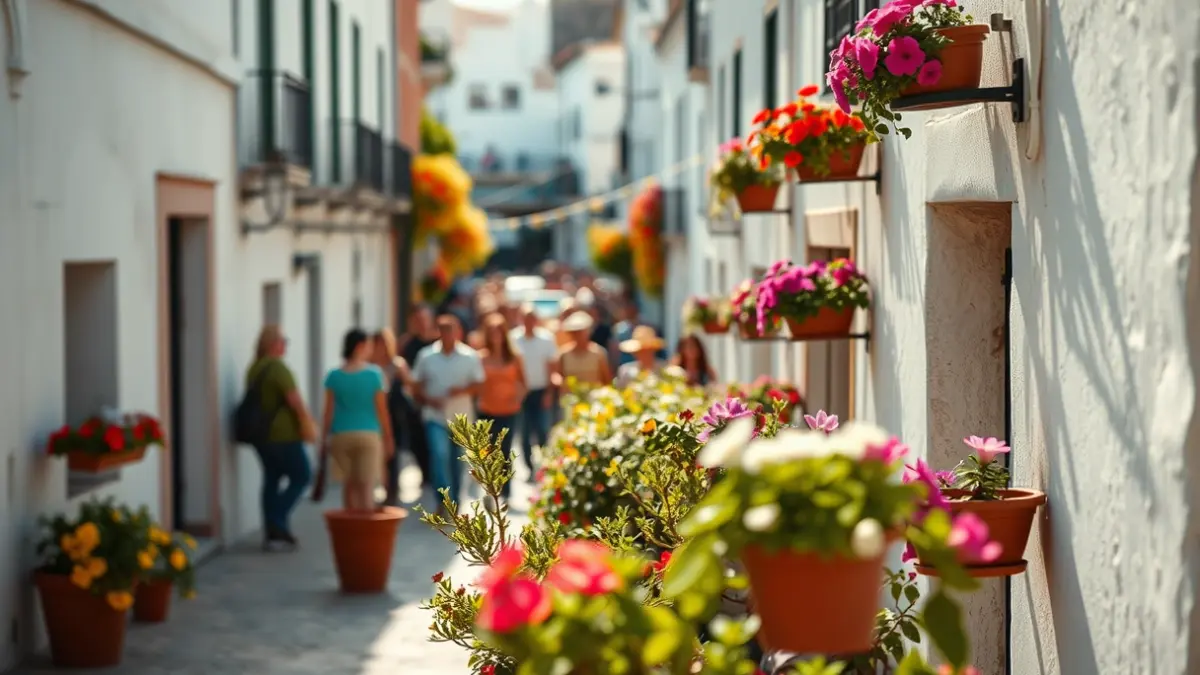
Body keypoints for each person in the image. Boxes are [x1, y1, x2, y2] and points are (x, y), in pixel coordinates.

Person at [245, 326, 316, 549]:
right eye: (283, 340)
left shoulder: (254, 368)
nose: (285, 345)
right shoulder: (277, 367)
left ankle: (274, 531)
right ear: (272, 343)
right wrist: (308, 425)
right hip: (283, 435)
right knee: (302, 475)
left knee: (272, 479)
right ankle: (277, 520)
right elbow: (295, 400)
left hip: (261, 436)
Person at [411, 315, 485, 509]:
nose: (448, 335)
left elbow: (479, 385)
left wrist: (461, 390)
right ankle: (443, 501)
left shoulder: (470, 356)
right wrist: (428, 399)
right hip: (435, 417)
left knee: (457, 462)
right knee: (439, 455)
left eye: (451, 331)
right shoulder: (426, 356)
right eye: (443, 331)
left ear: (458, 332)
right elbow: (415, 386)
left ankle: (455, 500)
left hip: (461, 418)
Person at [320, 329, 394, 512]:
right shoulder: (375, 374)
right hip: (368, 435)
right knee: (366, 488)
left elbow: (328, 413)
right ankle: (367, 535)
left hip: (341, 436)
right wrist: (388, 437)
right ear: (360, 346)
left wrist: (323, 439)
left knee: (349, 487)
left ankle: (350, 535)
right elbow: (382, 410)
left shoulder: (334, 376)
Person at [477, 314, 527, 498]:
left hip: (509, 411)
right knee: (488, 451)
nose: (495, 335)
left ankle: (505, 492)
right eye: (491, 332)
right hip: (486, 410)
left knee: (505, 450)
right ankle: (490, 488)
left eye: (499, 331)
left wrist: (517, 400)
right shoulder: (481, 357)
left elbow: (523, 383)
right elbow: (476, 383)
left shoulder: (514, 357)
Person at [510, 304, 558, 473]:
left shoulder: (546, 339)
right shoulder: (513, 338)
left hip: (541, 390)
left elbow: (552, 367)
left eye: (531, 318)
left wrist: (549, 393)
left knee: (543, 431)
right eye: (525, 318)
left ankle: (544, 466)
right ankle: (530, 467)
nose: (529, 322)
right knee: (524, 433)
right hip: (521, 393)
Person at [373, 329, 414, 506]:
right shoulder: (370, 366)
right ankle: (381, 487)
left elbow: (410, 386)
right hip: (374, 414)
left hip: (394, 413)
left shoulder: (397, 365)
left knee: (392, 454)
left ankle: (391, 491)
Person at [399, 305, 438, 485]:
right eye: (417, 320)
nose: (421, 324)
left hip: (437, 400)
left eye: (424, 320)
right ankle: (425, 473)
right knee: (416, 441)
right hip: (415, 401)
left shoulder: (438, 343)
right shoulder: (407, 344)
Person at [556, 312, 611, 387]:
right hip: (571, 397)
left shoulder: (598, 353)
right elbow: (559, 375)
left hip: (594, 396)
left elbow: (606, 379)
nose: (576, 335)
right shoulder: (564, 354)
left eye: (579, 332)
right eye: (573, 333)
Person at [610, 300, 640, 369]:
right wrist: (614, 364)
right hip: (624, 363)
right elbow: (614, 348)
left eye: (632, 309)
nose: (630, 312)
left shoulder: (642, 326)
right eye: (628, 309)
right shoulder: (619, 328)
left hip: (639, 364)